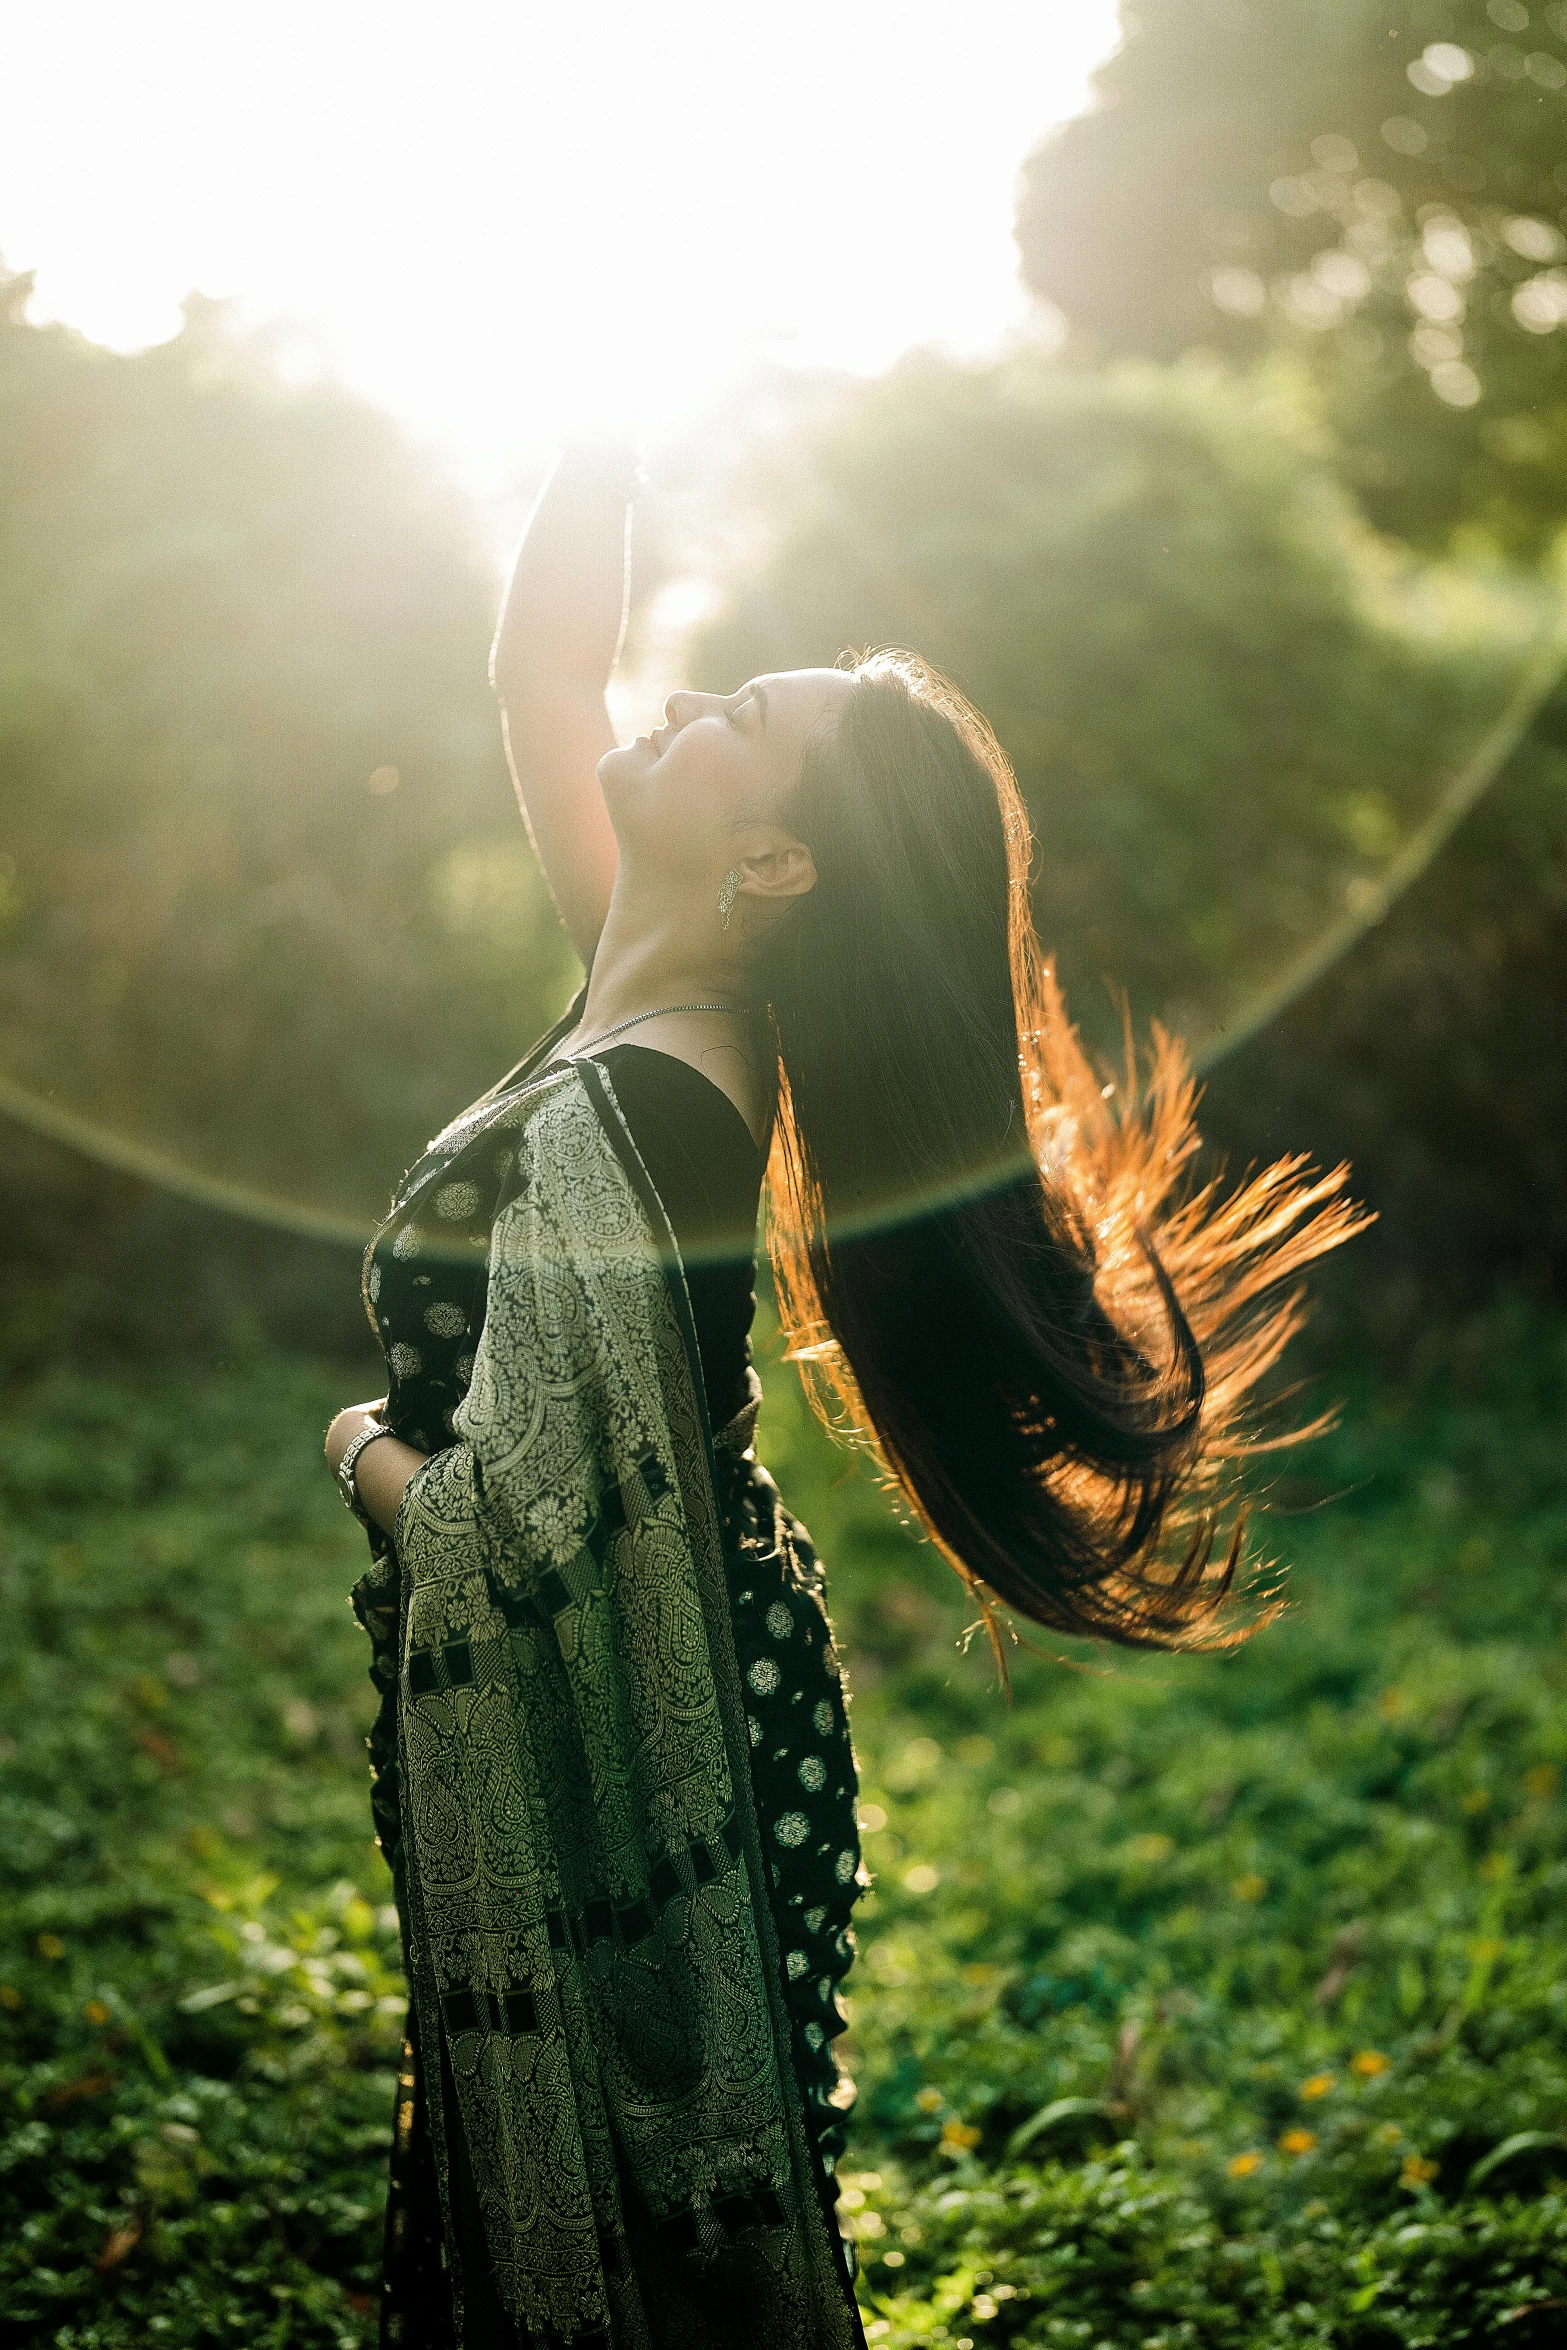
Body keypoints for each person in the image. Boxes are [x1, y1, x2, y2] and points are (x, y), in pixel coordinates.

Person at [324, 444, 1361, 2350]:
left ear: (777, 859)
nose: (690, 699)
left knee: (663, 2233)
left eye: (747, 717)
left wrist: (355, 1448)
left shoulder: (661, 1105)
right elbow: (543, 675)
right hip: (638, 1690)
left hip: (666, 1720)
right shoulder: (631, 976)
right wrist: (598, 436)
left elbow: (524, 1529)